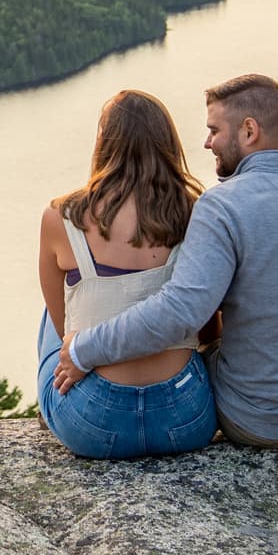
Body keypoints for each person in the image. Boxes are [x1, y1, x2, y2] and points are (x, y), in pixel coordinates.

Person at [54, 73, 278, 450]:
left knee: (79, 299)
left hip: (259, 422)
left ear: (249, 131)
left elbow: (181, 313)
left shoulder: (222, 206)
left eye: (214, 130)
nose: (207, 142)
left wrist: (84, 348)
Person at [33, 88, 218, 458]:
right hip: (184, 419)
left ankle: (51, 408)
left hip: (93, 425)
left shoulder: (61, 217)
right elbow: (209, 328)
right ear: (167, 142)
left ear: (104, 142)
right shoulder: (196, 213)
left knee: (54, 322)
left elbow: (62, 327)